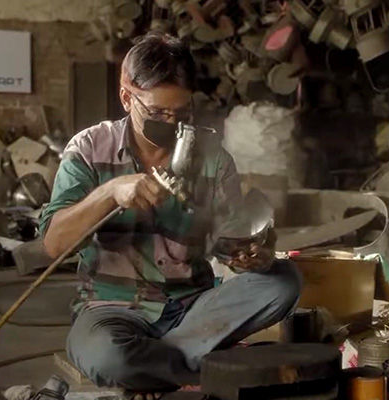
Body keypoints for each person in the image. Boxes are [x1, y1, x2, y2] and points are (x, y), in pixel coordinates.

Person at [40, 32, 301, 399]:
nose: (171, 122)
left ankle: (150, 369)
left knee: (283, 281)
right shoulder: (88, 149)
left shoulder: (212, 159)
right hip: (113, 310)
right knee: (106, 354)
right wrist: (109, 193)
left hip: (192, 306)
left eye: (181, 113)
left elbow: (227, 242)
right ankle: (200, 365)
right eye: (158, 112)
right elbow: (53, 243)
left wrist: (249, 256)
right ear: (126, 96)